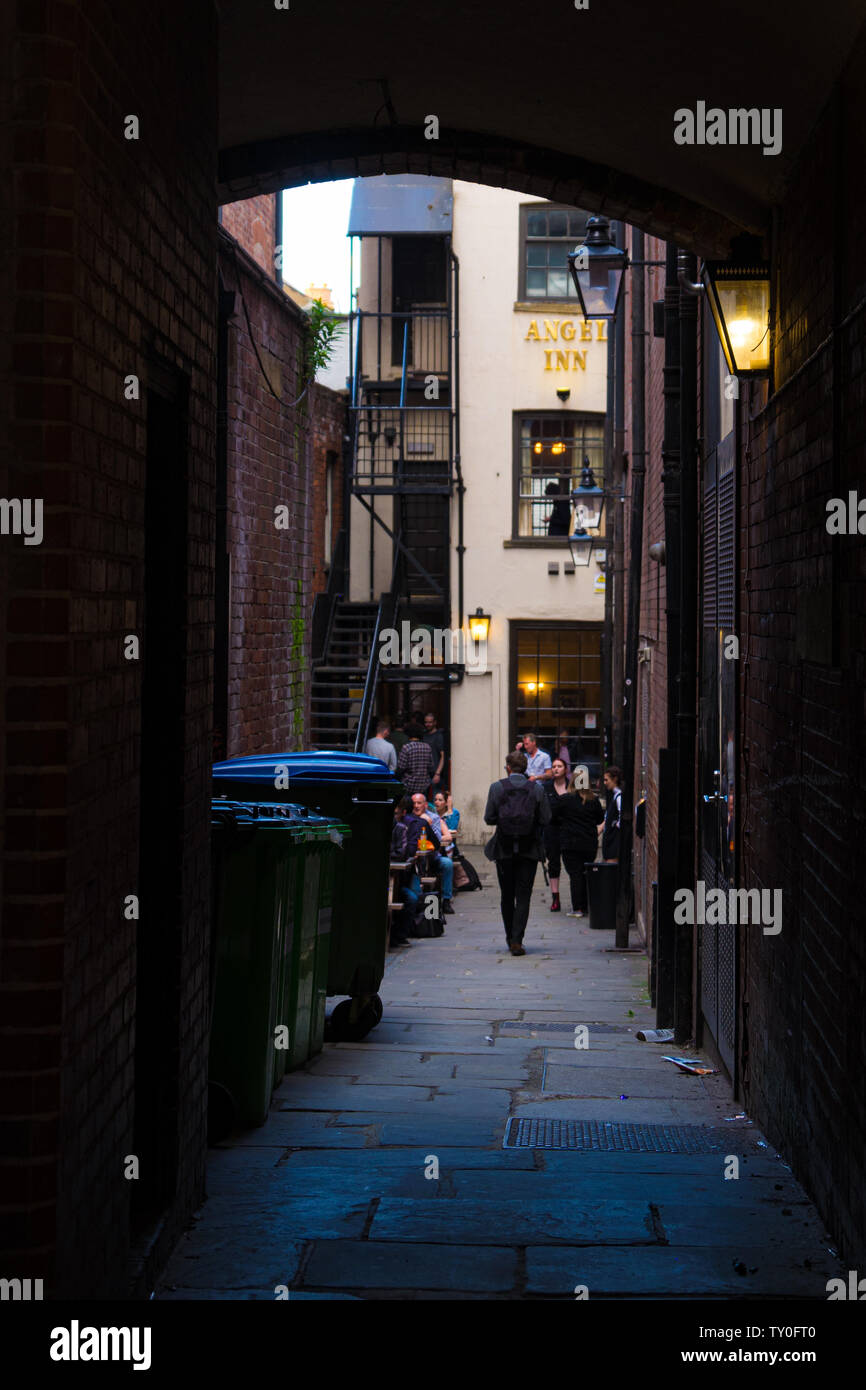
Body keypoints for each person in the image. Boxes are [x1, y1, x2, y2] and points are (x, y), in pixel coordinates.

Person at [483, 750, 551, 955]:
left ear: (508, 768)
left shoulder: (497, 788)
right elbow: (546, 818)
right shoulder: (536, 789)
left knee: (507, 895)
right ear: (526, 768)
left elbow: (489, 818)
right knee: (523, 896)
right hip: (529, 849)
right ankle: (517, 940)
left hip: (503, 849)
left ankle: (509, 936)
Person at [553, 776, 604, 917]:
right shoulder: (593, 800)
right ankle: (586, 906)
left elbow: (553, 817)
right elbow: (600, 819)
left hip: (570, 842)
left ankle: (577, 908)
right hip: (589, 842)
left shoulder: (565, 799)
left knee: (575, 875)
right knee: (586, 873)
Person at [411, 791, 455, 912]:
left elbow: (436, 841)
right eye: (414, 803)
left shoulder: (433, 817)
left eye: (419, 803)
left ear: (425, 805)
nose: (416, 806)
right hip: (414, 859)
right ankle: (421, 905)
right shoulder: (408, 818)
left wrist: (427, 824)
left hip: (432, 857)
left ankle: (446, 900)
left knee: (447, 864)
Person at [543, 757, 571, 911]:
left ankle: (577, 898)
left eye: (559, 766)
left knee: (571, 863)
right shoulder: (546, 788)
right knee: (553, 864)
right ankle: (555, 898)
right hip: (552, 830)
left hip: (568, 829)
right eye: (553, 766)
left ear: (565, 769)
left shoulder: (572, 786)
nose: (556, 769)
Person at [397, 722, 435, 796]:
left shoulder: (406, 747)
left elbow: (401, 768)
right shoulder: (427, 747)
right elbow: (431, 768)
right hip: (423, 787)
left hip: (408, 786)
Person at [601, 766, 623, 861]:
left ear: (615, 779)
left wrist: (614, 827)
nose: (605, 783)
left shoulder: (619, 797)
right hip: (610, 841)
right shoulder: (615, 795)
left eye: (607, 780)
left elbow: (622, 817)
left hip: (614, 842)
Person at [423, 711, 446, 794]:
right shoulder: (424, 735)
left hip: (435, 773)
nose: (427, 724)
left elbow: (443, 755)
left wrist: (438, 773)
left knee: (435, 799)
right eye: (426, 722)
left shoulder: (438, 736)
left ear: (435, 723)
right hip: (425, 774)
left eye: (430, 722)